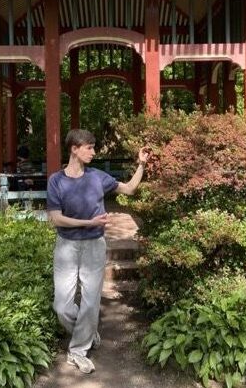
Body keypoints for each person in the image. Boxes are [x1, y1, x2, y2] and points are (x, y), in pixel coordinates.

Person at [47, 129, 150, 374]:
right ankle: (88, 331)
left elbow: (129, 190)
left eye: (94, 147)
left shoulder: (97, 177)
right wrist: (87, 223)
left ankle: (78, 351)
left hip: (94, 245)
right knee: (61, 305)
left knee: (91, 302)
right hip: (67, 247)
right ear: (74, 148)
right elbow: (56, 219)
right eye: (89, 147)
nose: (93, 152)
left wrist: (141, 165)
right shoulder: (56, 181)